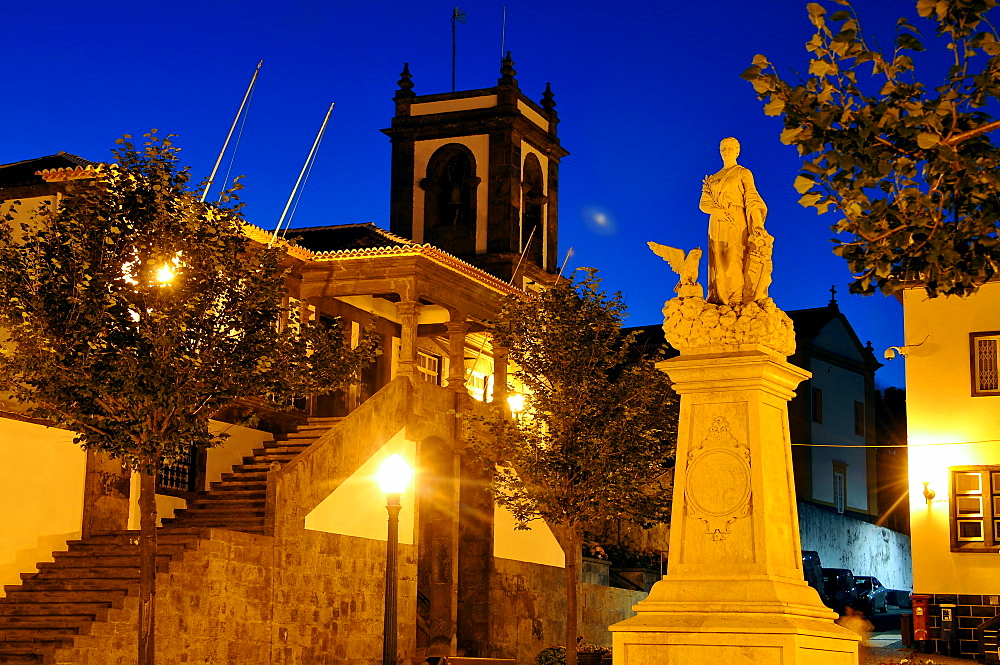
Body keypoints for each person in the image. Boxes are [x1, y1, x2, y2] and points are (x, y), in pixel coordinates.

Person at [699, 137, 772, 305]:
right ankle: (719, 298)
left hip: (737, 218)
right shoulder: (712, 178)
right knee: (719, 259)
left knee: (734, 257)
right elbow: (703, 203)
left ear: (737, 151)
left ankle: (736, 299)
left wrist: (758, 224)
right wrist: (716, 210)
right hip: (717, 220)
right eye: (723, 148)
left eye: (730, 148)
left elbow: (752, 198)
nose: (726, 151)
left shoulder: (742, 172)